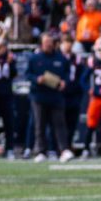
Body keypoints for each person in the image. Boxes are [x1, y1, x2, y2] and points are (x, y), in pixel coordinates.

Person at [27, 32, 74, 163]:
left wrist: (64, 82)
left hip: (56, 95)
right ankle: (41, 151)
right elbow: (28, 75)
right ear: (41, 43)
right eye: (46, 41)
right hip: (39, 95)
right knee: (39, 124)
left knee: (60, 124)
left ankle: (63, 149)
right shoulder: (34, 58)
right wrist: (37, 79)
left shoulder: (60, 58)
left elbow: (68, 74)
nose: (48, 44)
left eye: (50, 41)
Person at [0, 41, 19, 159]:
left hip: (7, 94)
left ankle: (9, 148)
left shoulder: (10, 59)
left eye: (3, 47)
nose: (2, 49)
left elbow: (14, 74)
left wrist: (10, 63)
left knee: (9, 123)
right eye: (0, 47)